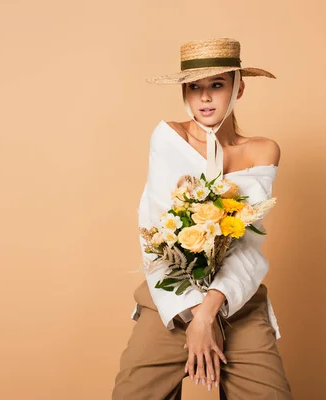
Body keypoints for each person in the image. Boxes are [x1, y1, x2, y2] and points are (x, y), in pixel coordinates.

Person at [112, 38, 293, 400]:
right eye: (195, 87)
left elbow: (246, 243)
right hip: (172, 296)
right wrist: (195, 317)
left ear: (238, 88)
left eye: (216, 85)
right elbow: (156, 232)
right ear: (184, 92)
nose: (205, 97)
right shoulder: (169, 138)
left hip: (235, 301)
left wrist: (209, 314)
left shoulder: (262, 150)